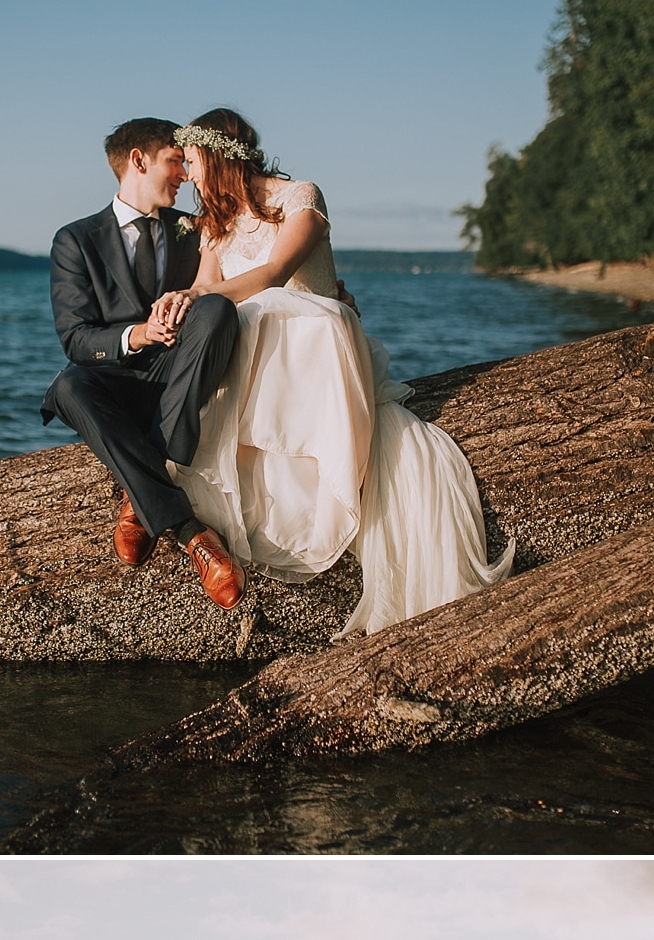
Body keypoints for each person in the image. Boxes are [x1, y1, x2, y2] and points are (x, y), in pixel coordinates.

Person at [154, 109, 514, 635]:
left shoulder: (301, 197)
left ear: (214, 153)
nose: (186, 175)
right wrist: (185, 303)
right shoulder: (215, 226)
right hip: (262, 368)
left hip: (320, 356)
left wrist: (197, 295)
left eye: (190, 161)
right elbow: (209, 283)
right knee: (223, 322)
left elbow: (275, 274)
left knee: (278, 309)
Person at [41, 117, 247, 609]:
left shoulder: (194, 232)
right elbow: (75, 337)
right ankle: (192, 534)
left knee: (216, 308)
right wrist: (138, 334)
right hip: (116, 384)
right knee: (70, 385)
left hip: (183, 375)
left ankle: (139, 498)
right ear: (139, 160)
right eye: (176, 161)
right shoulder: (75, 240)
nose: (185, 174)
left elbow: (250, 268)